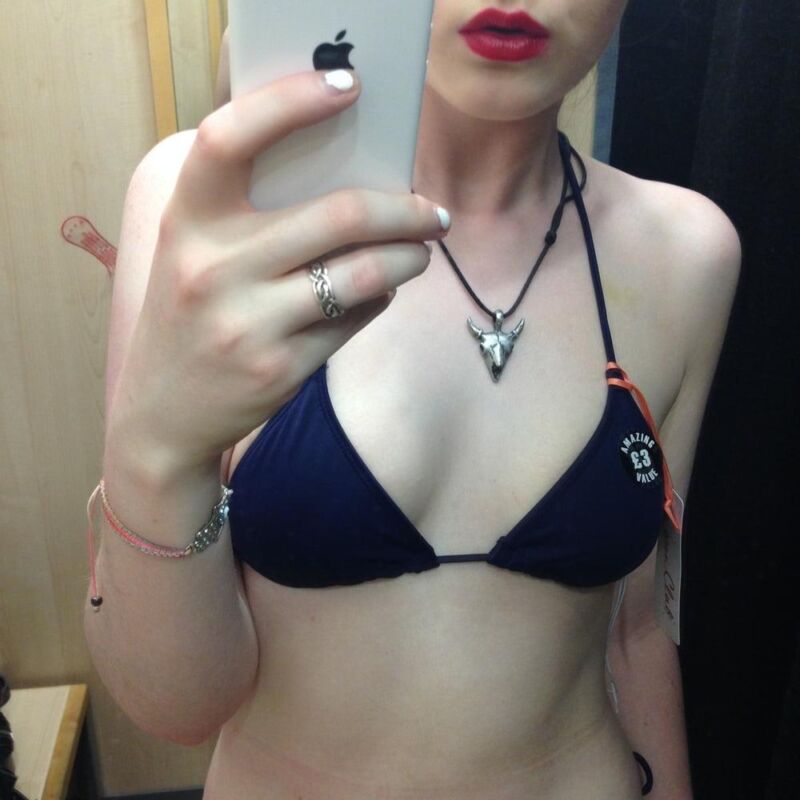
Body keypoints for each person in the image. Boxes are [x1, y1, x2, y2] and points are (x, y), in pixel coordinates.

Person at [84, 2, 740, 798]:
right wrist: (155, 454)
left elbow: (638, 632)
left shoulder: (687, 252)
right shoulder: (208, 213)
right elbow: (176, 707)